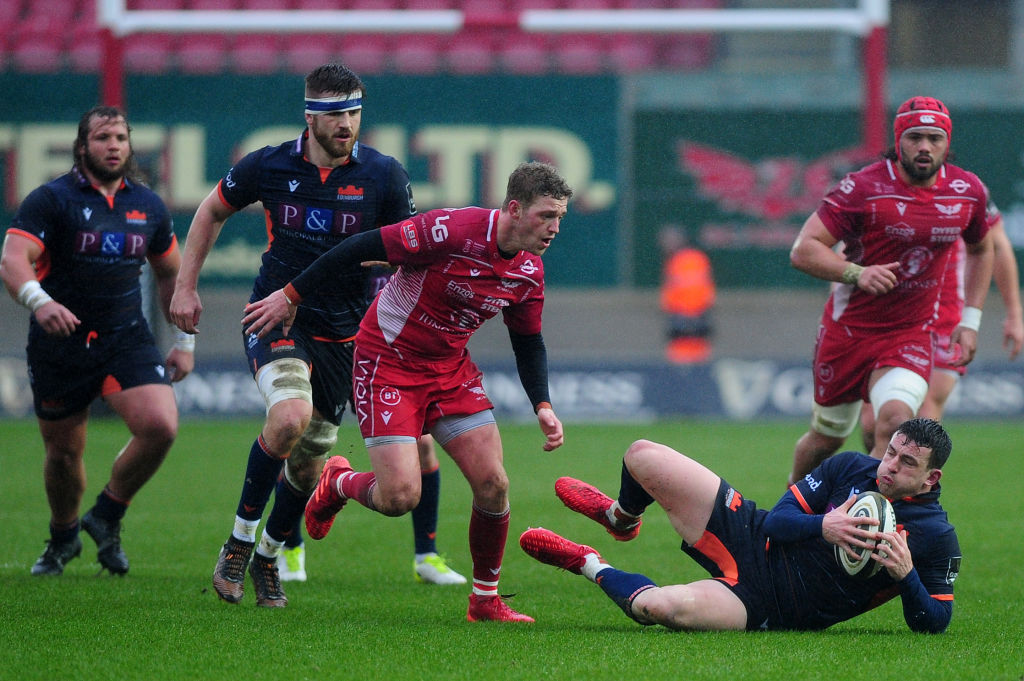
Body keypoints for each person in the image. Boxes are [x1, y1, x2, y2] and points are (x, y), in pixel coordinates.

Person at [169, 62, 462, 606]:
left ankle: (269, 557)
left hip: (346, 335)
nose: (346, 124)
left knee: (309, 461)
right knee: (289, 417)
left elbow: (410, 252)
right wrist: (185, 288)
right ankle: (238, 544)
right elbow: (210, 212)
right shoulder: (268, 164)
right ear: (310, 117)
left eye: (354, 112)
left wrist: (396, 292)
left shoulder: (385, 175)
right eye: (334, 114)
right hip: (277, 317)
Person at [242, 161, 572, 623]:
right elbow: (359, 246)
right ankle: (337, 482)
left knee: (494, 484)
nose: (554, 227)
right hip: (388, 362)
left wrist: (543, 404)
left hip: (449, 371)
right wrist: (291, 295)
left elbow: (528, 341)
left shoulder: (529, 272)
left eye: (560, 217)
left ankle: (485, 601)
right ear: (515, 209)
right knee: (399, 498)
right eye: (546, 216)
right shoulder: (451, 230)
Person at [521, 418, 960, 633]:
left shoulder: (935, 537)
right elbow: (779, 522)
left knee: (656, 609)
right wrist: (823, 526)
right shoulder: (849, 467)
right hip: (751, 534)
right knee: (642, 454)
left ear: (931, 477)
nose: (889, 466)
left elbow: (935, 620)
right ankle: (620, 518)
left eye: (907, 462)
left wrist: (906, 576)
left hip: (766, 605)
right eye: (890, 452)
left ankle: (587, 562)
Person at [0, 106, 194, 576]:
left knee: (161, 426)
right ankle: (63, 537)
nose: (113, 146)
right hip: (61, 343)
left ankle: (107, 513)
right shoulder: (52, 199)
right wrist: (39, 302)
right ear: (82, 146)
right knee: (64, 454)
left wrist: (184, 342)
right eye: (103, 137)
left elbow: (172, 275)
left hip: (125, 337)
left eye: (121, 138)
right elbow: (13, 259)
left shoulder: (147, 206)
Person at [788, 96, 994, 484]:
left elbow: (982, 249)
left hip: (909, 333)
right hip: (848, 333)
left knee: (896, 423)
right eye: (915, 137)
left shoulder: (967, 191)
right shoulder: (861, 187)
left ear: (947, 142)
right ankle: (788, 509)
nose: (924, 147)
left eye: (934, 138)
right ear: (898, 140)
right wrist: (856, 273)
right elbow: (803, 250)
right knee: (827, 438)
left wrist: (970, 320)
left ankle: (862, 514)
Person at [858, 211, 1024, 452]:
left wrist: (1014, 314)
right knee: (872, 423)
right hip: (888, 315)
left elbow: (996, 245)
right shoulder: (875, 191)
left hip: (944, 318)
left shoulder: (969, 194)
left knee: (923, 418)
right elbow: (848, 246)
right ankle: (881, 474)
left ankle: (912, 476)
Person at [657, 225, 715, 363]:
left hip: (691, 313)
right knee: (682, 355)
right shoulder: (677, 260)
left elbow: (703, 289)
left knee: (694, 355)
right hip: (686, 315)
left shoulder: (690, 259)